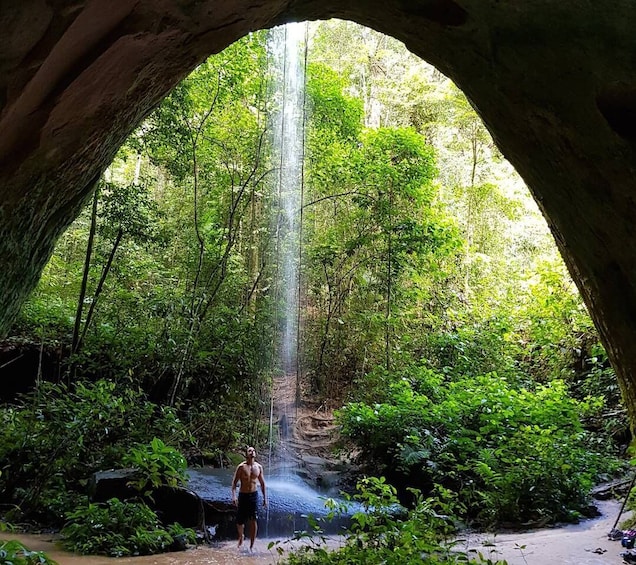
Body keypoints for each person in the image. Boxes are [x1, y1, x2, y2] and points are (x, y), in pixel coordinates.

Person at [231, 446, 267, 551]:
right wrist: (234, 497)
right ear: (247, 454)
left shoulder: (259, 467)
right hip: (243, 495)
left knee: (253, 520)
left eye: (253, 450)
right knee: (240, 520)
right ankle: (241, 536)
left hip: (254, 495)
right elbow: (234, 483)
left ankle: (252, 544)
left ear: (255, 454)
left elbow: (262, 484)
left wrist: (265, 498)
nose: (252, 452)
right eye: (250, 451)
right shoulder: (241, 467)